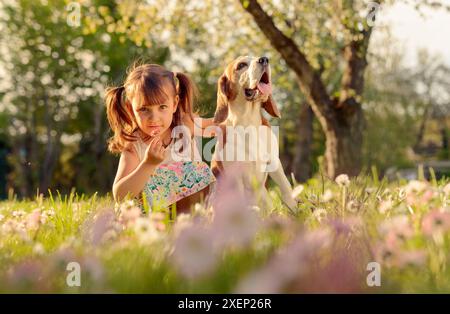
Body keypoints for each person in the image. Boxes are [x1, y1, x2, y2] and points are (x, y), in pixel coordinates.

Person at [105, 63, 216, 214]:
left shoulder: (185, 124)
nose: (154, 118)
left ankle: (194, 221)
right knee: (194, 171)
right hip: (146, 215)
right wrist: (148, 164)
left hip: (187, 208)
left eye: (162, 107)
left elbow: (221, 126)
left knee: (200, 172)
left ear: (175, 104)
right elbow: (120, 195)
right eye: (144, 109)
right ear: (131, 109)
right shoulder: (133, 144)